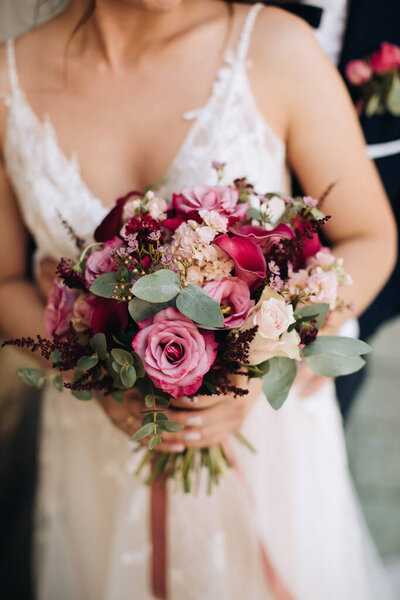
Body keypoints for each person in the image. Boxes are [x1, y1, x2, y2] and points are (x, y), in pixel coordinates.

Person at [0, 1, 397, 599]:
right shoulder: (8, 79)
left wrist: (260, 361)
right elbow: (3, 282)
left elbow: (371, 237)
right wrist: (96, 377)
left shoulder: (277, 47)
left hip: (269, 441)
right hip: (100, 452)